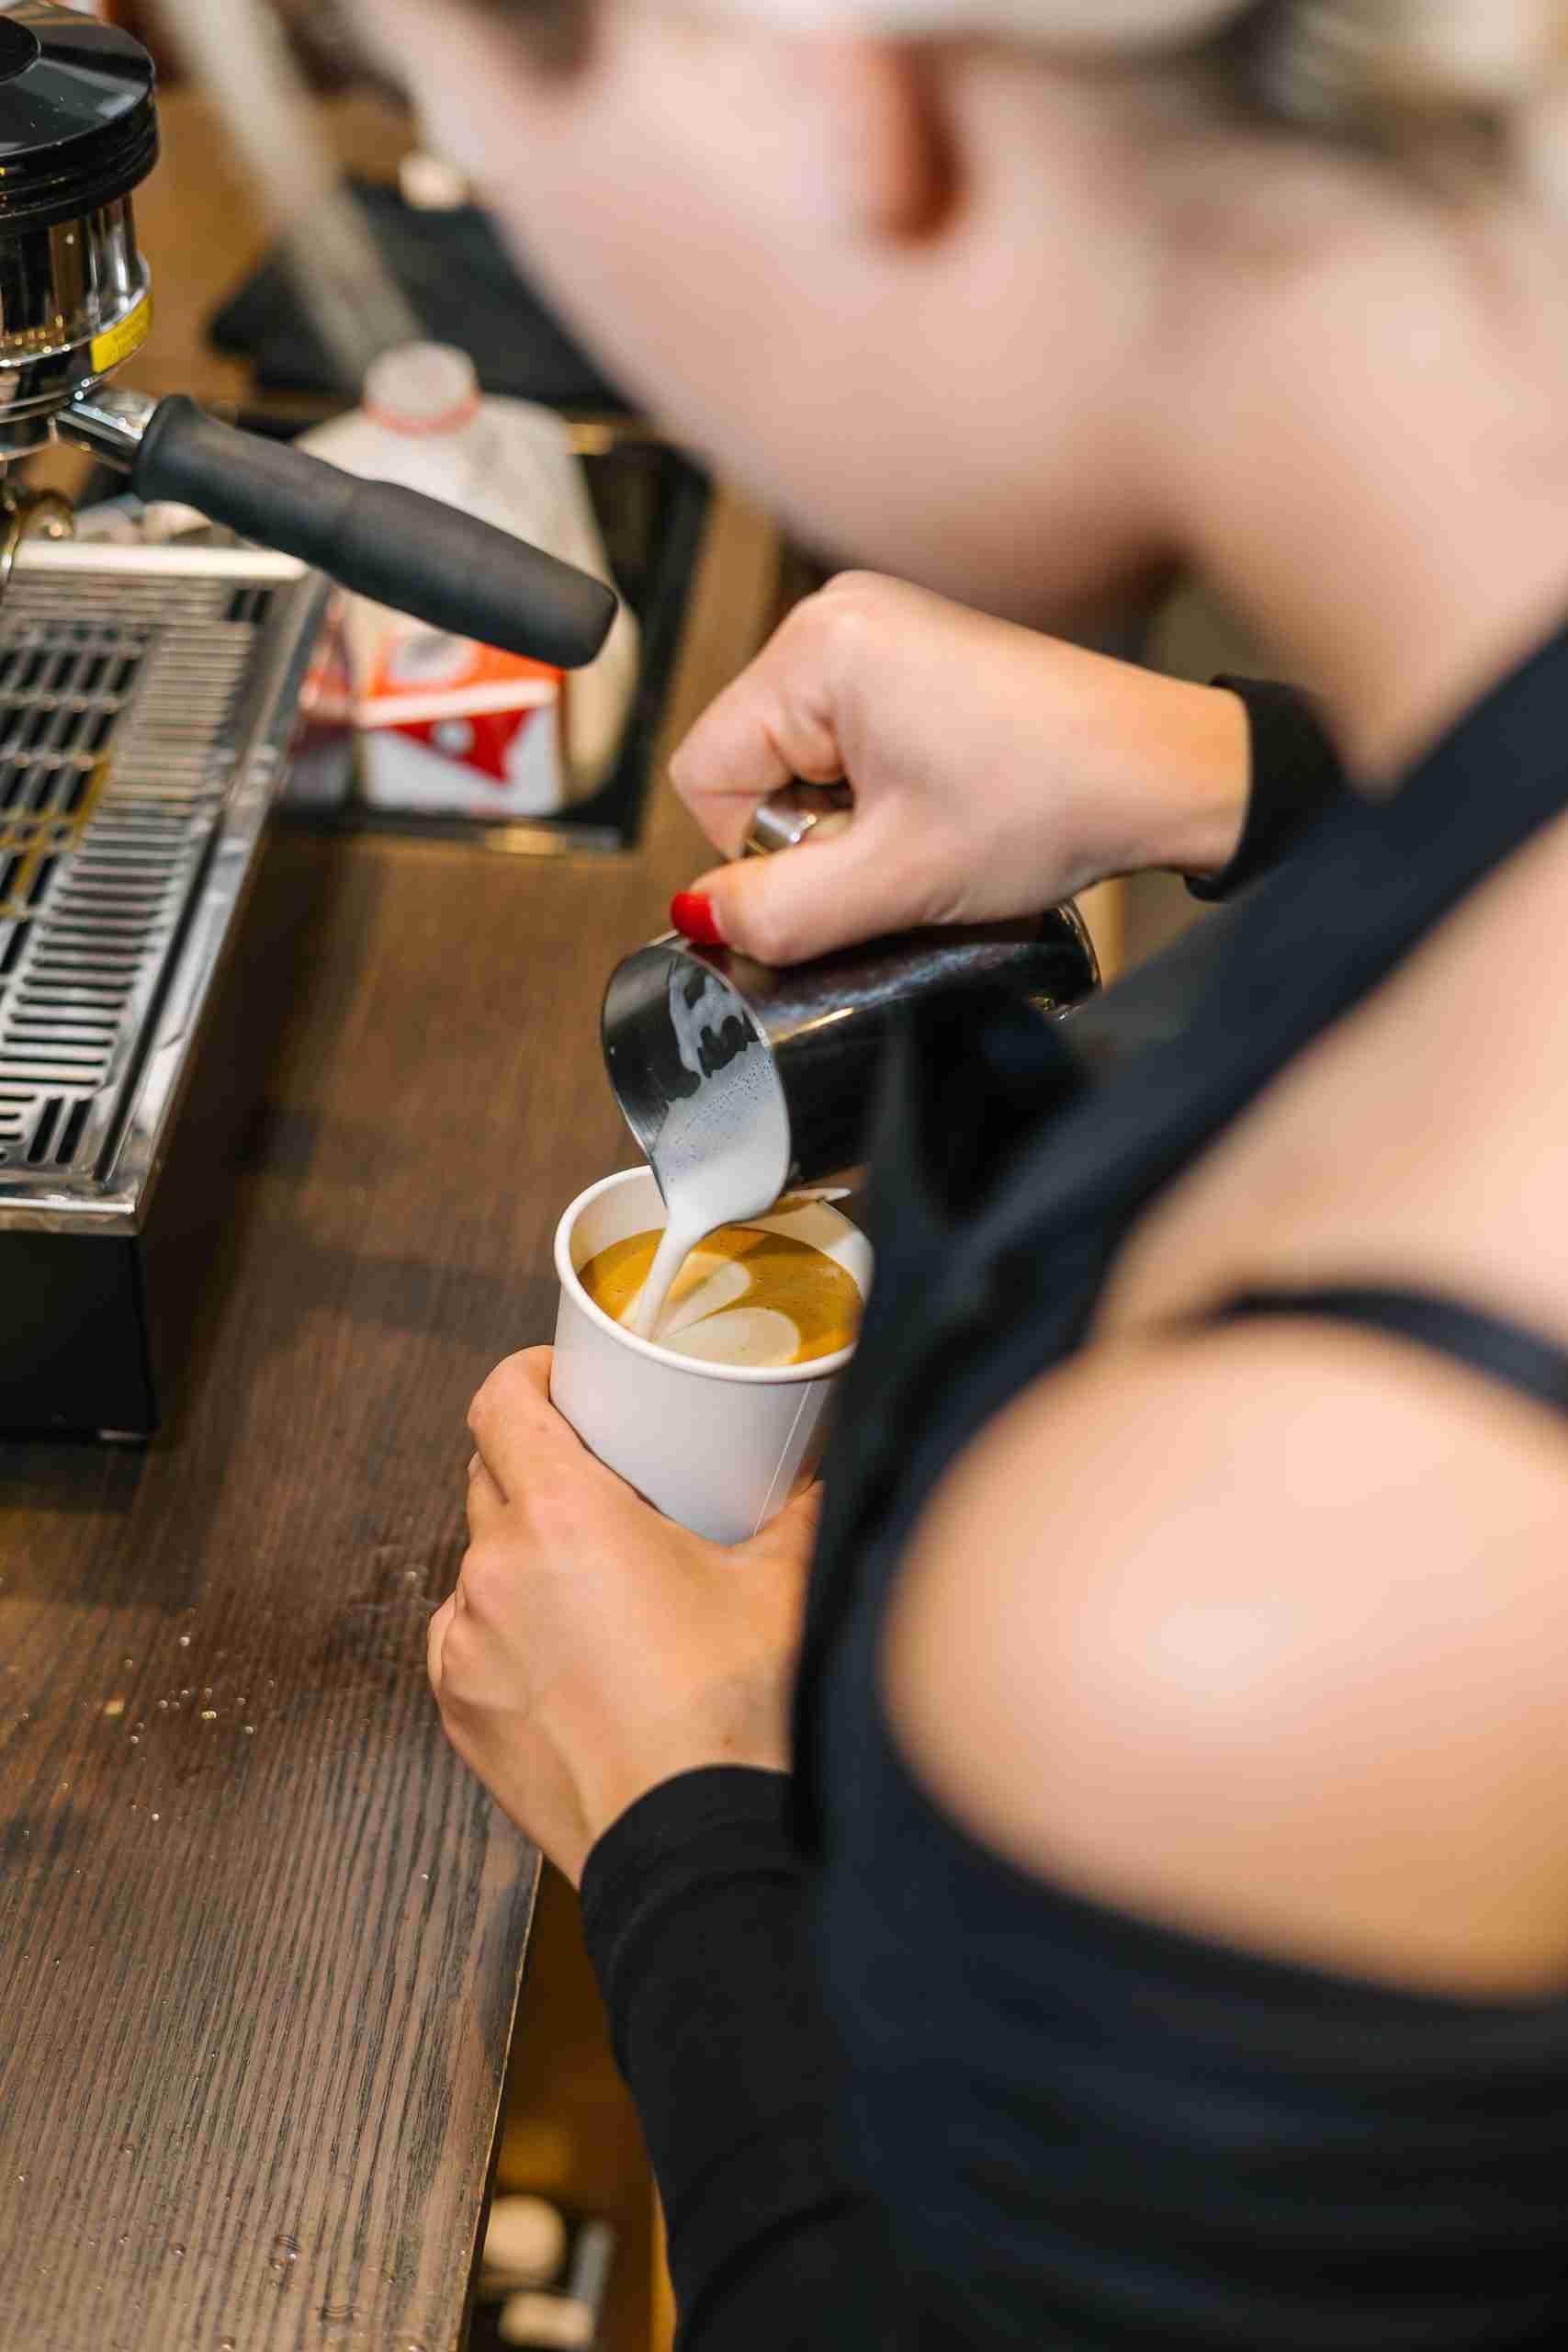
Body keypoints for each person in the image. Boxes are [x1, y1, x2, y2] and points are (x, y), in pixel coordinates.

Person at [355, 0, 1568, 2340]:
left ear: (819, 77)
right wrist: (1224, 769)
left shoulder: (1258, 1603)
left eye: (474, 139)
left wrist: (681, 1817)